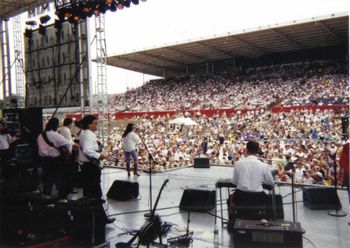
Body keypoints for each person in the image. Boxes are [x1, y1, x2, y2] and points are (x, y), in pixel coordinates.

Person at [78, 115, 115, 224]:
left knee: (89, 193)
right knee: (96, 193)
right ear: (89, 124)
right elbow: (87, 150)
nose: (96, 124)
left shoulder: (84, 133)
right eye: (95, 122)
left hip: (87, 167)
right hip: (90, 167)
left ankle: (92, 218)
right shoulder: (89, 135)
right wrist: (99, 156)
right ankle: (100, 219)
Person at [37, 117, 73, 199]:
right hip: (54, 159)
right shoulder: (54, 134)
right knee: (58, 177)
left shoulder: (40, 135)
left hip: (43, 159)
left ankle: (46, 194)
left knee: (47, 177)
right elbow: (67, 143)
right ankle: (61, 196)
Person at [231, 140, 275, 206]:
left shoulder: (238, 164)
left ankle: (233, 216)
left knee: (230, 200)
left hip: (240, 198)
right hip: (258, 198)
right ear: (257, 151)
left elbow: (234, 182)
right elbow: (271, 182)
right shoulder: (264, 166)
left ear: (246, 150)